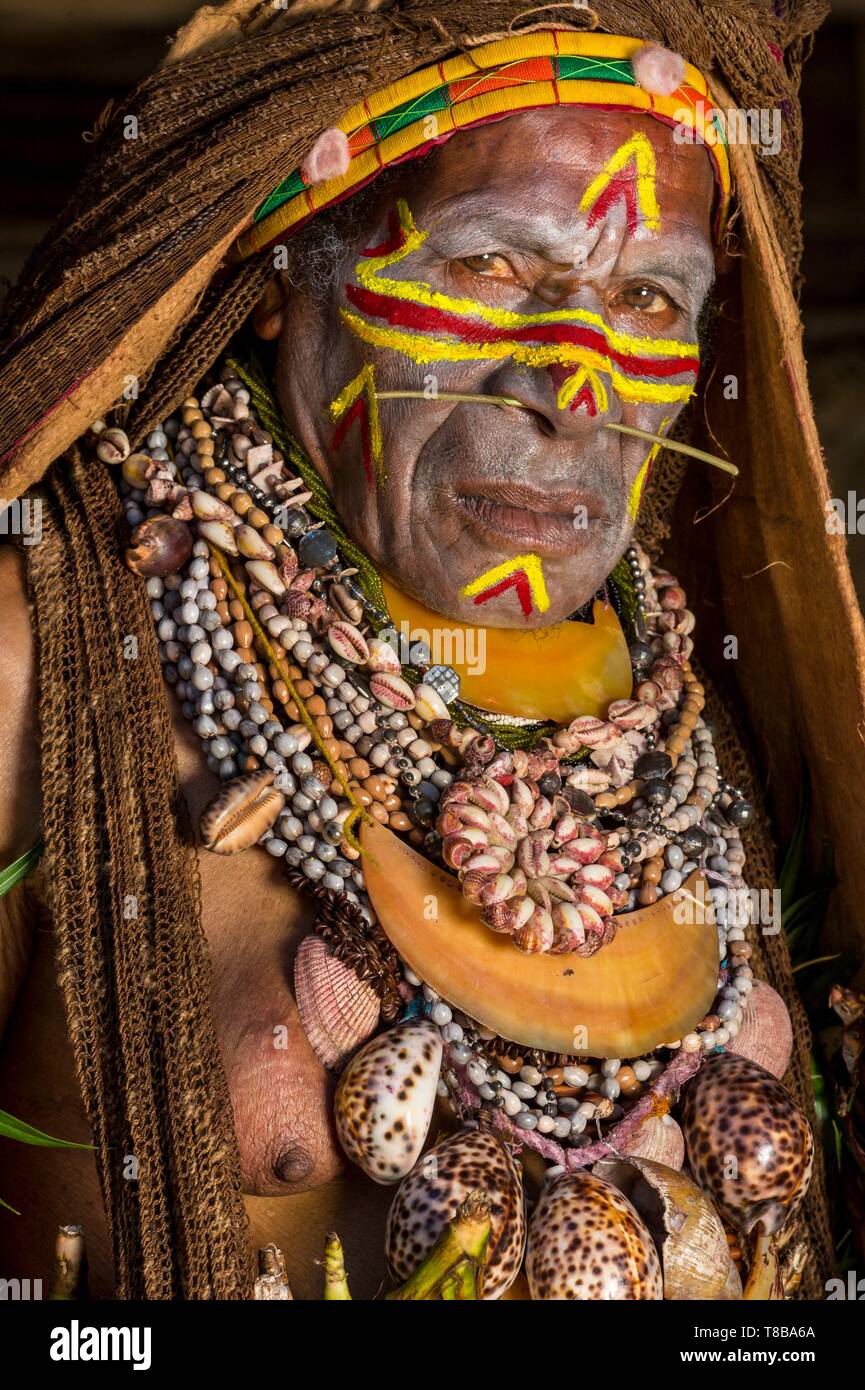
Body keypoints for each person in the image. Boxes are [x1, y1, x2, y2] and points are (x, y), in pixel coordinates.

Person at [0, 0, 857, 1300]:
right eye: (490, 270)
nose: (574, 387)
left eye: (641, 295)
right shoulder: (43, 658)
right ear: (288, 281)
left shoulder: (702, 706)